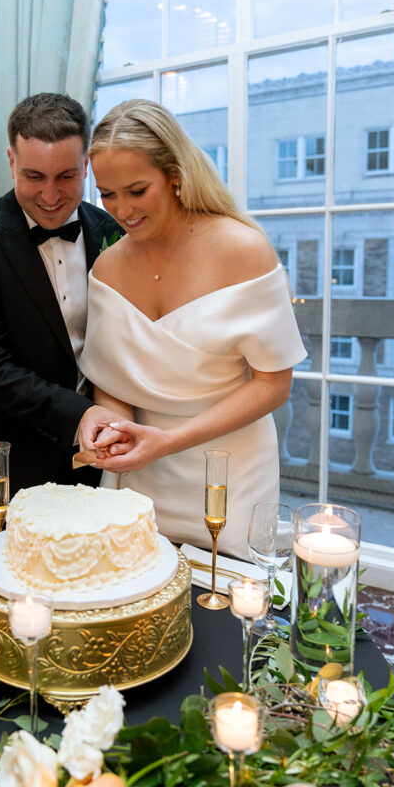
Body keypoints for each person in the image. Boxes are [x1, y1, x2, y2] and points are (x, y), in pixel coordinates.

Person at [78, 99, 306, 560]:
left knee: (226, 610)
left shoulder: (244, 250)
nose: (122, 209)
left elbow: (273, 385)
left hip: (229, 474)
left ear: (175, 174)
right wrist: (112, 425)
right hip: (137, 475)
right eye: (107, 194)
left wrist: (167, 442)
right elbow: (112, 380)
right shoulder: (106, 268)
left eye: (137, 190)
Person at [0, 92, 121, 548]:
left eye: (67, 176)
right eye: (33, 176)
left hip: (93, 457)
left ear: (86, 167)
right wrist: (80, 414)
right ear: (11, 160)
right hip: (3, 461)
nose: (51, 195)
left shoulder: (112, 232)